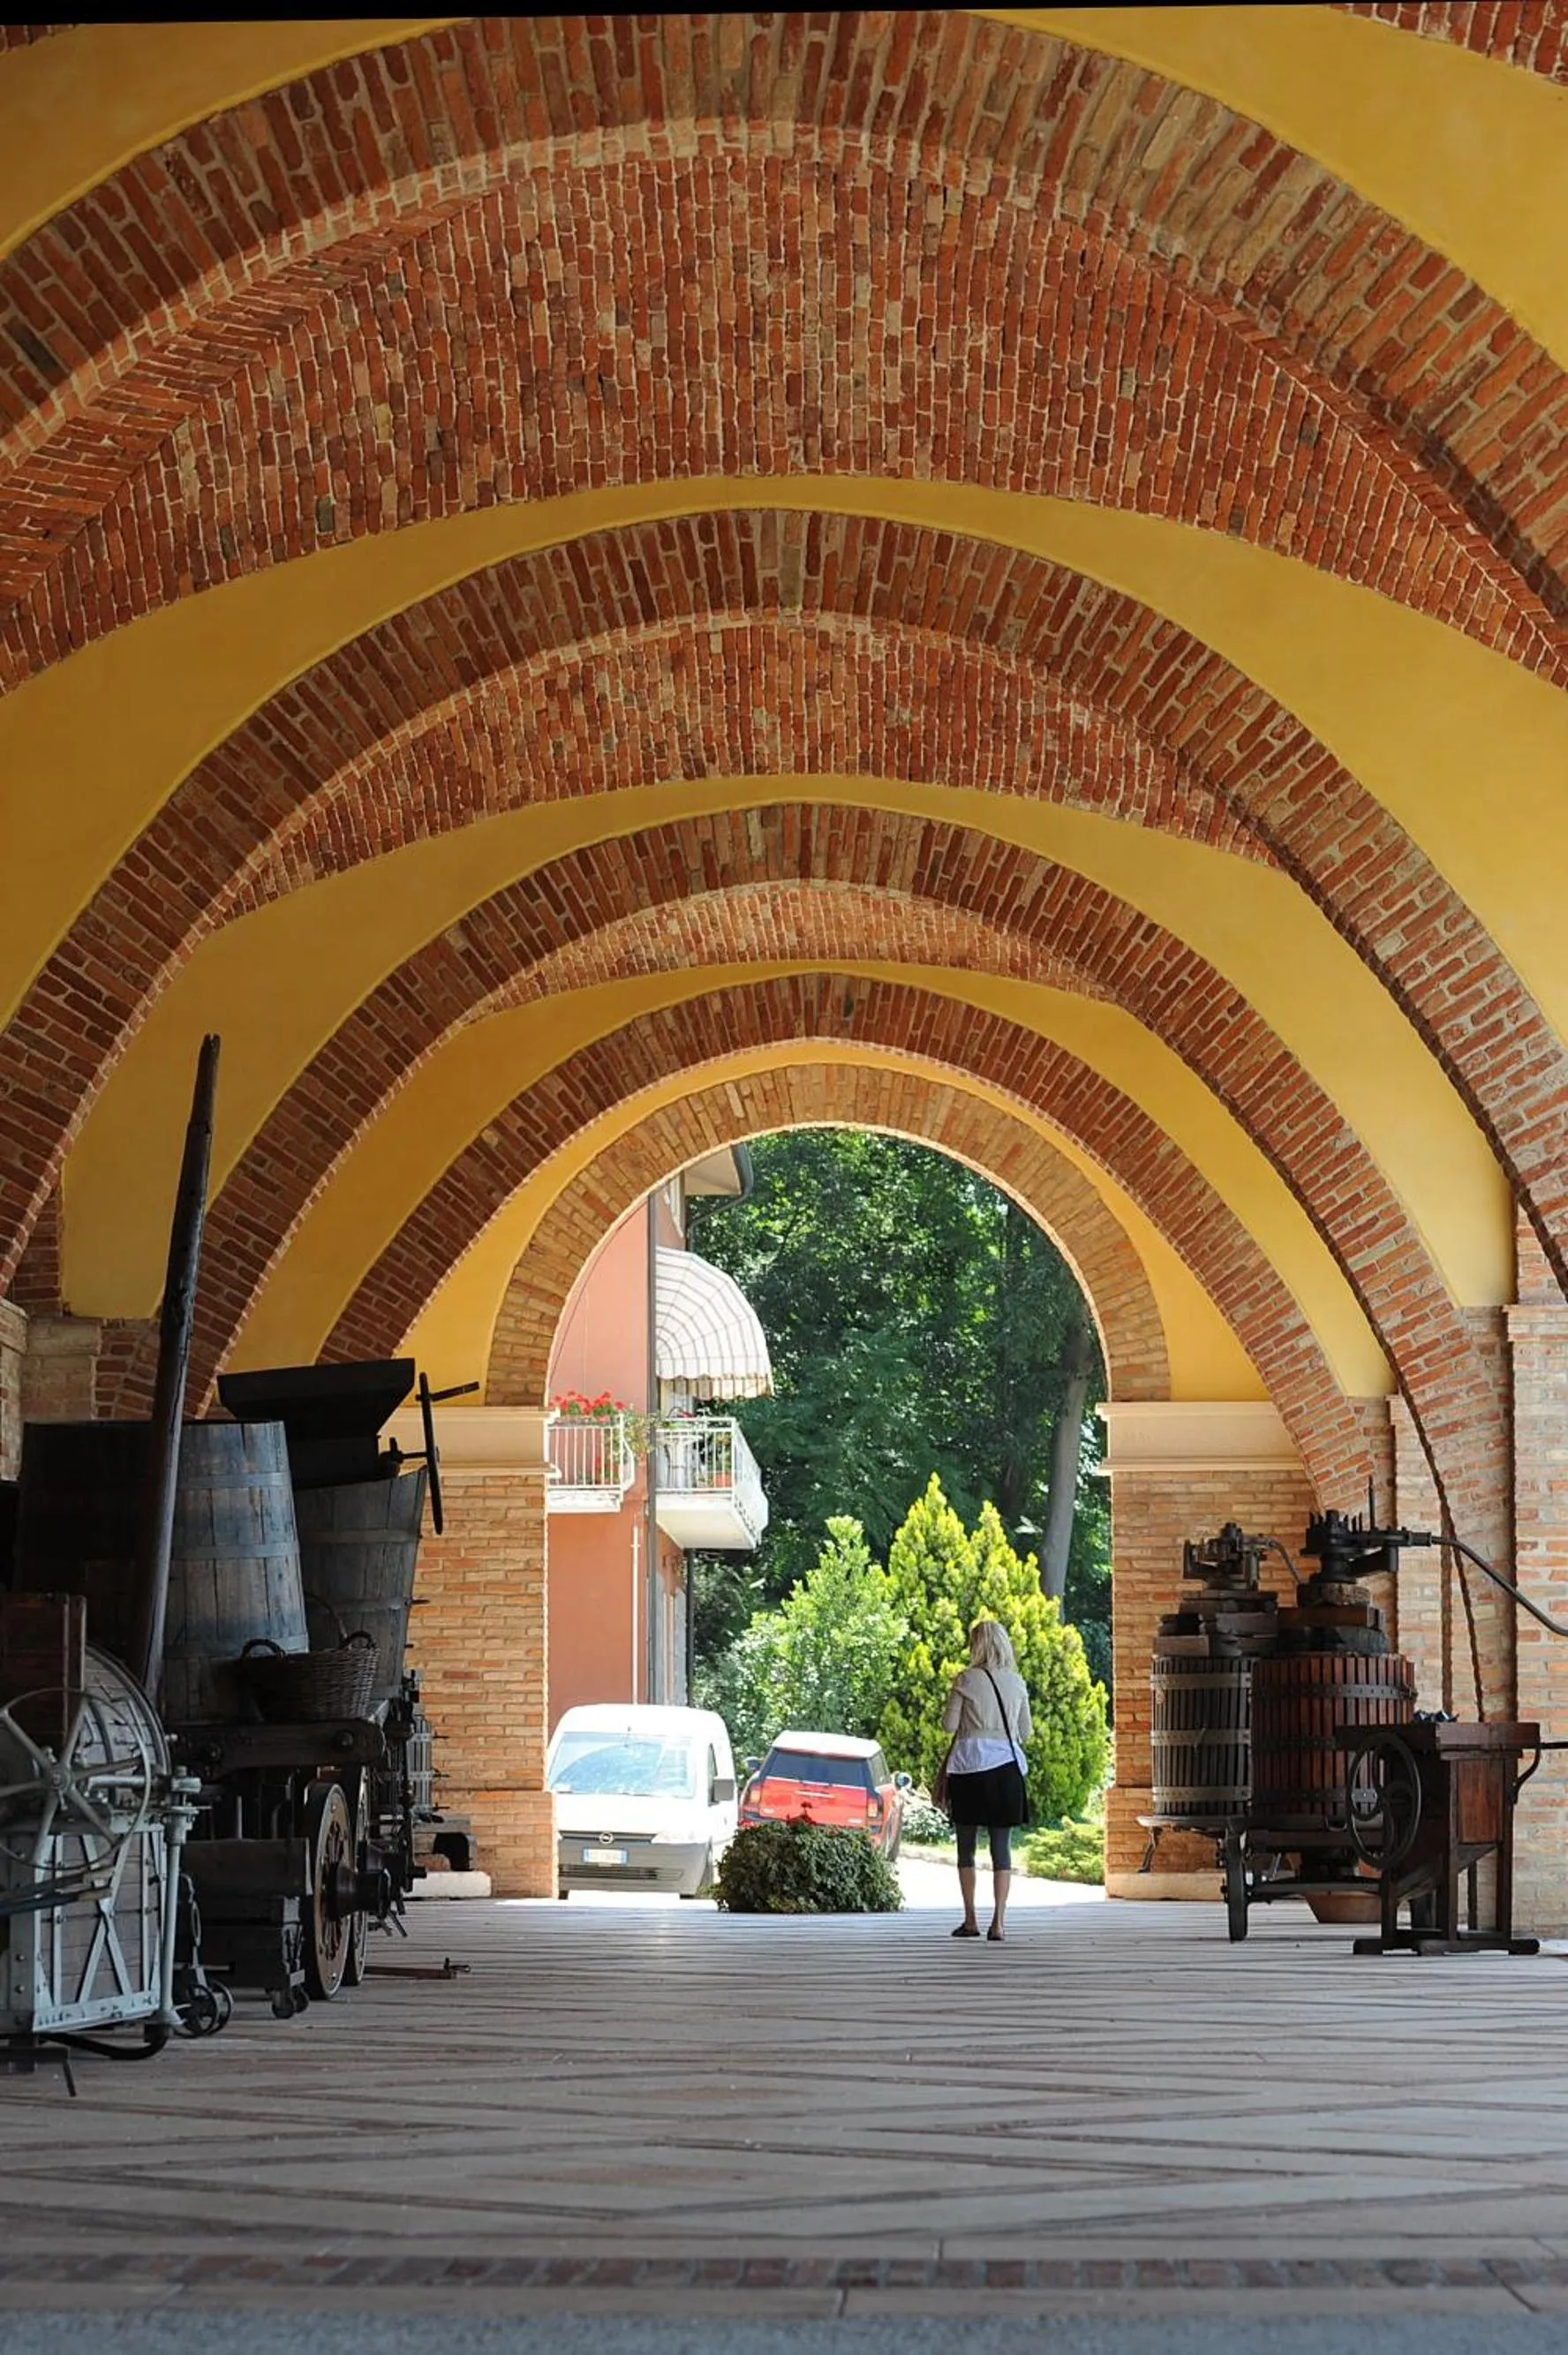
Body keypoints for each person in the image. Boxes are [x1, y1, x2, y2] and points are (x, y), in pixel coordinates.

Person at [939, 1619, 1032, 1943]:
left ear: (975, 1645)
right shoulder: (1017, 1683)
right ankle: (999, 1923)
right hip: (1006, 1770)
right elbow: (1026, 1733)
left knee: (966, 1847)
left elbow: (949, 1726)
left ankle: (970, 1920)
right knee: (1001, 1848)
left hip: (969, 1770)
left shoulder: (965, 1680)